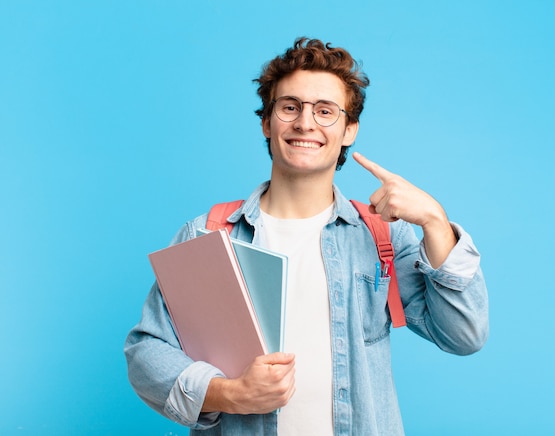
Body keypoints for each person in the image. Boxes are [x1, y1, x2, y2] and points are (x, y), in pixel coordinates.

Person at [125, 37, 489, 435]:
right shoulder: (207, 234)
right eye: (290, 107)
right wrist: (228, 394)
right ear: (267, 121)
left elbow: (464, 335)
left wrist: (435, 221)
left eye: (325, 111)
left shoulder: (382, 236)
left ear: (349, 130)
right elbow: (147, 353)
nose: (305, 123)